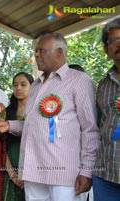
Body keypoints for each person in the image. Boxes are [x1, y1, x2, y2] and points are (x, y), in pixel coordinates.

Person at [0, 33, 99, 201]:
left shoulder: (79, 80)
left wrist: (86, 171)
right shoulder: (36, 84)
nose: (36, 55)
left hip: (65, 175)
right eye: (36, 51)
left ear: (59, 53)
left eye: (41, 51)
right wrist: (9, 125)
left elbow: (90, 129)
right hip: (33, 171)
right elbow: (33, 124)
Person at [93, 18, 120, 201]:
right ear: (106, 49)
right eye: (115, 40)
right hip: (105, 175)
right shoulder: (103, 84)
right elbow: (98, 124)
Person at [0, 72, 34, 201]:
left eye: (23, 84)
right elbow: (1, 146)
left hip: (33, 171)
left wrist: (27, 174)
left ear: (33, 87)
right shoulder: (5, 114)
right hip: (10, 169)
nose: (18, 88)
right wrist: (12, 174)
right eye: (15, 85)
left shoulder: (38, 112)